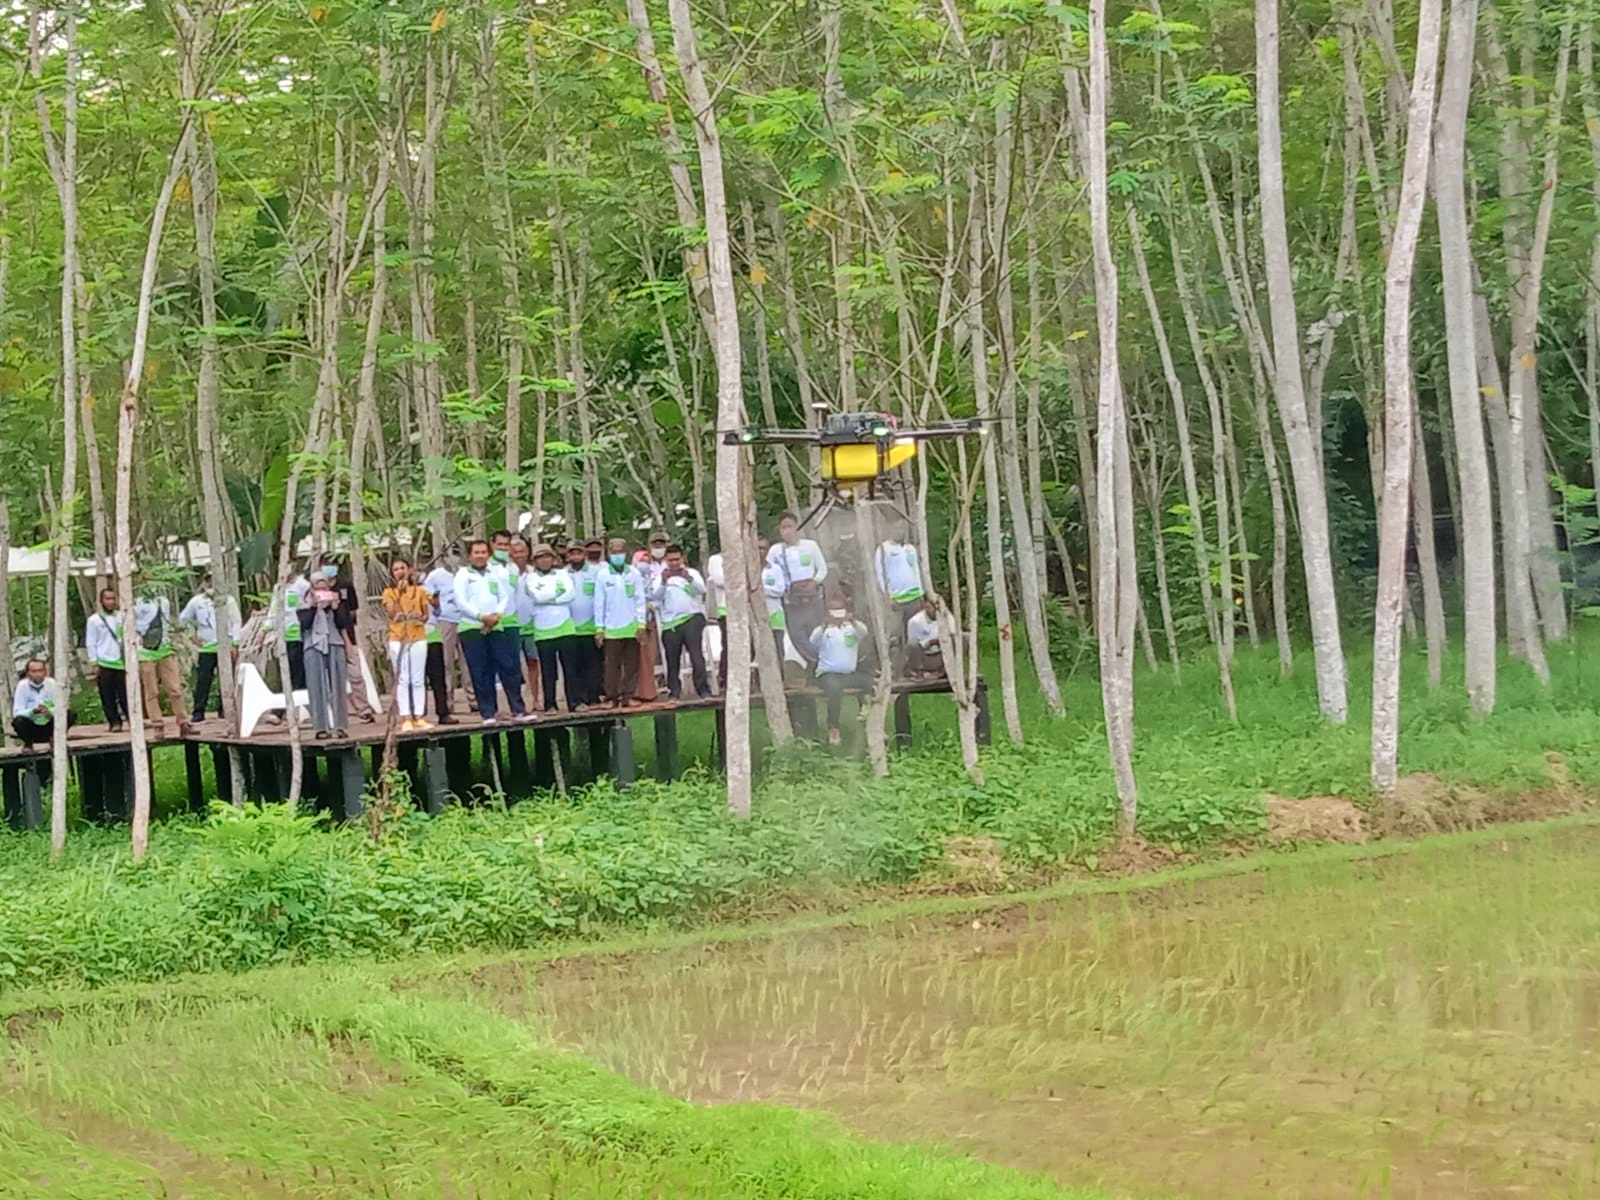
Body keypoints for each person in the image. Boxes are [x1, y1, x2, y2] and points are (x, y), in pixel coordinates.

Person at [453, 537, 527, 725]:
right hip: (471, 628)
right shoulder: (462, 575)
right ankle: (488, 713)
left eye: (483, 552)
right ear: (469, 556)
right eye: (476, 552)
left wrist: (496, 616)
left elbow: (504, 596)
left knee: (508, 667)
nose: (480, 556)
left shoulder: (494, 572)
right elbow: (461, 601)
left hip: (496, 625)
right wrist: (480, 617)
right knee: (481, 670)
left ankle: (518, 709)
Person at [524, 543, 580, 712]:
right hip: (543, 629)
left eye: (547, 556)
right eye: (540, 557)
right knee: (548, 671)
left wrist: (549, 597)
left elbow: (570, 594)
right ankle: (550, 704)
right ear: (535, 561)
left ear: (553, 558)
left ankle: (574, 703)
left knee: (570, 668)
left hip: (565, 626)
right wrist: (557, 593)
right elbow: (537, 597)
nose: (545, 560)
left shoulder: (563, 574)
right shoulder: (531, 578)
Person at [179, 573, 240, 724]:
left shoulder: (229, 600)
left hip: (225, 646)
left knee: (226, 680)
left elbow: (236, 622)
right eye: (208, 579)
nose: (211, 583)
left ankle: (225, 709)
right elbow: (183, 619)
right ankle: (199, 711)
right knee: (203, 680)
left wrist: (235, 643)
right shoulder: (197, 601)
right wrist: (192, 636)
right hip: (206, 648)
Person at [768, 513, 827, 666]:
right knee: (796, 634)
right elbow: (768, 570)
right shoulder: (775, 551)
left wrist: (814, 582)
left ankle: (821, 666)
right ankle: (817, 661)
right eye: (783, 528)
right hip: (790, 596)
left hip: (811, 593)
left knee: (815, 632)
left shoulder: (810, 546)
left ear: (797, 528)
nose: (787, 531)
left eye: (790, 526)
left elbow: (822, 569)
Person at [133, 583, 192, 737]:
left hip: (164, 648)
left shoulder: (164, 602)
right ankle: (157, 724)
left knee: (175, 688)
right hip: (145, 651)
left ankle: (183, 720)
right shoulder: (135, 604)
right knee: (151, 690)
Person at [810, 593, 869, 746]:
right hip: (828, 674)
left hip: (849, 674)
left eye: (840, 610)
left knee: (870, 681)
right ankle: (833, 728)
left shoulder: (852, 628)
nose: (837, 614)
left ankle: (866, 712)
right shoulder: (823, 630)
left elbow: (864, 632)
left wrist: (852, 619)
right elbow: (813, 640)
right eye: (834, 610)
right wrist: (825, 623)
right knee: (834, 690)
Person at [595, 536, 647, 709]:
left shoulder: (633, 573)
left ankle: (628, 696)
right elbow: (598, 603)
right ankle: (611, 697)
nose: (618, 555)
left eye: (620, 552)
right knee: (611, 666)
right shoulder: (603, 575)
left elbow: (640, 600)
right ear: (609, 554)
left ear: (626, 553)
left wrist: (641, 625)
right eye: (614, 552)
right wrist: (599, 628)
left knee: (632, 664)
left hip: (631, 627)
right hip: (611, 628)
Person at [654, 545, 711, 700]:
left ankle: (703, 690)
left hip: (692, 617)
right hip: (670, 623)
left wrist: (689, 579)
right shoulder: (661, 576)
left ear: (682, 558)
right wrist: (664, 582)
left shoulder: (692, 573)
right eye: (670, 560)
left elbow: (702, 590)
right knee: (672, 660)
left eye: (677, 559)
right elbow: (655, 597)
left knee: (697, 656)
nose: (674, 563)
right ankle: (674, 692)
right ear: (666, 560)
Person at [382, 557, 433, 732]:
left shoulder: (420, 591)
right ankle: (406, 717)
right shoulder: (389, 592)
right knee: (403, 678)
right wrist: (399, 595)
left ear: (409, 570)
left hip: (418, 636)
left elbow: (426, 614)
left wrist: (417, 617)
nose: (399, 571)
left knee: (418, 678)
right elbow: (392, 614)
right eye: (395, 569)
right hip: (398, 638)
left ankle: (419, 715)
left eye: (402, 568)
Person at [299, 560, 349, 739]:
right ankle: (320, 727)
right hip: (313, 644)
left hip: (334, 642)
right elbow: (304, 625)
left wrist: (335, 608)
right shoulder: (305, 603)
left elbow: (345, 624)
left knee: (338, 685)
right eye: (318, 588)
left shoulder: (336, 600)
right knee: (316, 685)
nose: (322, 592)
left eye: (324, 588)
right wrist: (314, 606)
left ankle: (341, 726)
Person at [424, 545, 472, 715]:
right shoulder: (435, 576)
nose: (454, 558)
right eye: (451, 554)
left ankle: (473, 700)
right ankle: (448, 702)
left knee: (469, 662)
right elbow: (428, 598)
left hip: (467, 620)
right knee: (446, 663)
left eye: (457, 554)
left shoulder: (466, 573)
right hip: (445, 620)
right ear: (443, 557)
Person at [11, 660, 74, 785]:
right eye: (34, 671)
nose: (37, 674)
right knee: (18, 722)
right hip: (32, 726)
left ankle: (55, 739)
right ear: (28, 673)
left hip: (49, 724)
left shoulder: (51, 684)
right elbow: (17, 711)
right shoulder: (22, 686)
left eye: (40, 670)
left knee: (70, 714)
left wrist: (49, 711)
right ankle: (28, 744)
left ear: (45, 672)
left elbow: (60, 706)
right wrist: (32, 712)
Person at [331, 564, 376, 724]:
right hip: (328, 640)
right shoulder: (317, 591)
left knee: (355, 675)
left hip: (348, 637)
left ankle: (363, 709)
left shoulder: (345, 587)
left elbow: (353, 610)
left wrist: (347, 626)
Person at [565, 539, 603, 708]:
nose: (576, 556)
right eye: (572, 553)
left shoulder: (596, 572)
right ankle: (577, 700)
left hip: (591, 627)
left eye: (579, 552)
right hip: (569, 629)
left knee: (593, 666)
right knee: (573, 668)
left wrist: (600, 627)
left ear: (584, 554)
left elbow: (601, 599)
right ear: (567, 556)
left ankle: (593, 697)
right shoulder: (562, 574)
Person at [85, 588, 129, 732]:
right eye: (107, 599)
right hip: (104, 661)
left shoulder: (122, 617)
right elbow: (91, 642)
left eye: (113, 599)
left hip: (122, 661)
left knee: (126, 693)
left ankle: (131, 719)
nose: (110, 602)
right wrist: (94, 662)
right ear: (101, 601)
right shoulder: (94, 620)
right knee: (107, 695)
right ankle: (114, 722)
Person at [632, 531, 669, 703]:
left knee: (666, 650)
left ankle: (670, 683)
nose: (659, 547)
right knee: (646, 653)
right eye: (655, 544)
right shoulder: (640, 569)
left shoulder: (672, 563)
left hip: (668, 611)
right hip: (645, 615)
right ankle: (645, 688)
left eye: (662, 544)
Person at [506, 535, 539, 711]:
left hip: (532, 624)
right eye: (515, 552)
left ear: (527, 552)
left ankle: (535, 699)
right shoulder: (506, 572)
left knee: (533, 662)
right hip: (512, 624)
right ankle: (517, 701)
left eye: (522, 551)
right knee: (513, 665)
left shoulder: (534, 572)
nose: (519, 555)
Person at [875, 535, 925, 631]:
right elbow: (880, 574)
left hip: (915, 597)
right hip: (897, 599)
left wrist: (921, 593)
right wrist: (888, 596)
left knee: (916, 629)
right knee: (898, 632)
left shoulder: (910, 548)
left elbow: (916, 570)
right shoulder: (883, 549)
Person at [905, 595, 945, 679]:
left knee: (964, 637)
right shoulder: (915, 621)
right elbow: (913, 645)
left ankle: (947, 670)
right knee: (912, 644)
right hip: (925, 658)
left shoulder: (946, 616)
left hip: (942, 655)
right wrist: (930, 642)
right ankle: (918, 673)